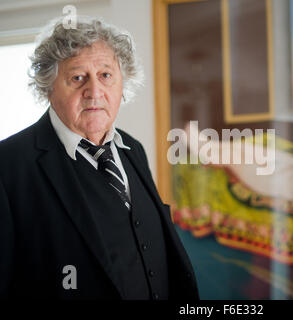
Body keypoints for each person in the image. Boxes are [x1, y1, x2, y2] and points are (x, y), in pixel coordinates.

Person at [0, 16, 199, 300]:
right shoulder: (8, 166)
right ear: (48, 87)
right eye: (77, 77)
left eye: (106, 75)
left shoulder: (134, 149)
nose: (94, 92)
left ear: (122, 82)